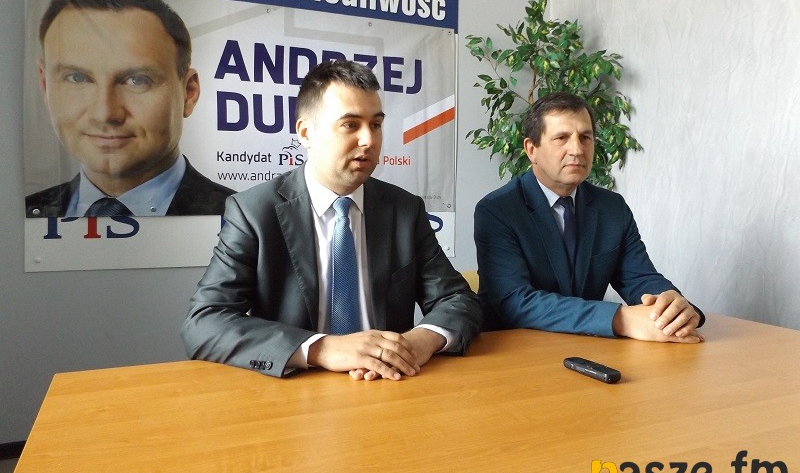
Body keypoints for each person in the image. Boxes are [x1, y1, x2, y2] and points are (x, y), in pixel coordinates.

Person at [182, 60, 481, 379]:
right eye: (350, 125)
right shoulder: (254, 212)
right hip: (297, 388)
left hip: (388, 383)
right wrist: (322, 348)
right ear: (305, 132)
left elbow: (458, 299)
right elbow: (204, 322)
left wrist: (420, 340)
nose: (369, 140)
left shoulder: (404, 210)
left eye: (376, 124)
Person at [474, 92, 704, 343]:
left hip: (589, 347)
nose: (577, 150)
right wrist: (619, 318)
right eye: (561, 138)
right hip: (514, 350)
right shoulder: (497, 210)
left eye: (585, 137)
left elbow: (640, 278)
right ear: (532, 149)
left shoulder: (612, 208)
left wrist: (671, 306)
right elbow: (515, 302)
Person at [25, 0, 233, 218]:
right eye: (77, 78)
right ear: (45, 85)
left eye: (137, 80)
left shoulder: (250, 223)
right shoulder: (14, 216)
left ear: (189, 93)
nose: (105, 114)